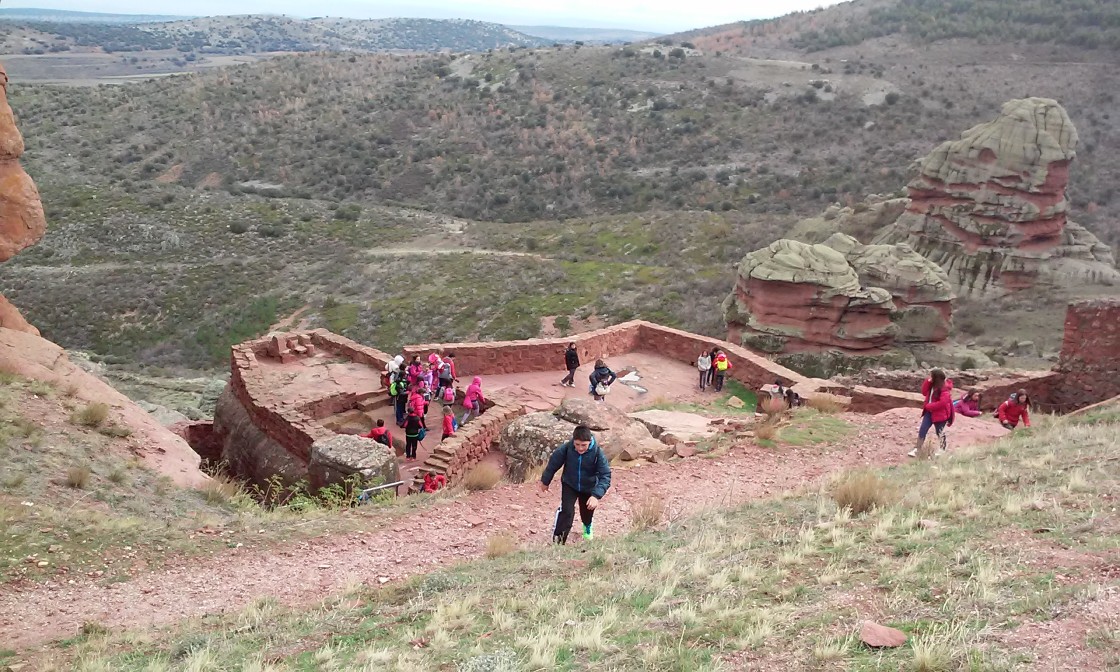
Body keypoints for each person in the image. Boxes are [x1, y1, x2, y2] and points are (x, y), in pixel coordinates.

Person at [539, 425, 612, 544]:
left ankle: (587, 526)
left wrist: (596, 496)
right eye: (577, 444)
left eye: (584, 445)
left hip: (588, 486)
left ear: (590, 442)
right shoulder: (567, 448)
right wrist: (546, 481)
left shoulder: (597, 453)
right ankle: (559, 540)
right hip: (570, 484)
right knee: (567, 511)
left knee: (587, 511)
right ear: (573, 441)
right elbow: (554, 463)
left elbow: (605, 475)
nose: (580, 448)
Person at [909, 368, 953, 458]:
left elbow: (942, 403)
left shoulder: (945, 389)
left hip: (940, 414)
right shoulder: (932, 386)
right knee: (923, 429)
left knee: (939, 432)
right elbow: (924, 392)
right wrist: (928, 381)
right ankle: (917, 448)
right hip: (929, 413)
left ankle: (942, 449)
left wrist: (929, 406)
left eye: (931, 376)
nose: (930, 377)